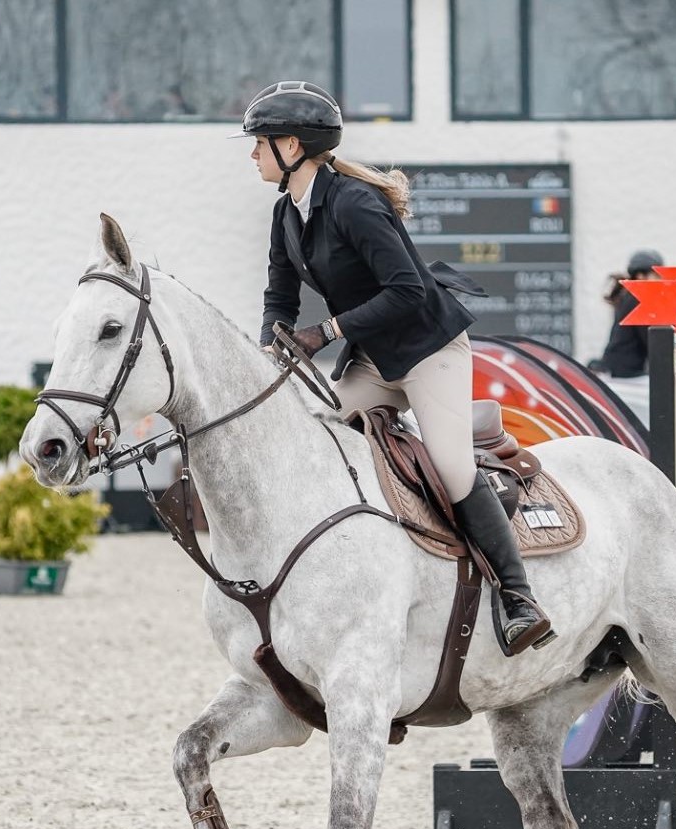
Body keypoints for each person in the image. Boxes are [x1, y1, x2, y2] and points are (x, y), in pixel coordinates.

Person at [232, 81, 555, 654]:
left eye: (259, 143)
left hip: (430, 350)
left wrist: (327, 331)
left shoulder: (355, 203)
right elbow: (278, 299)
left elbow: (407, 290)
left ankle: (518, 597)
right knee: (322, 440)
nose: (252, 153)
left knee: (454, 469)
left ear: (293, 145)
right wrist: (267, 350)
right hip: (376, 360)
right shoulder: (286, 212)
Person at [594, 249, 664, 378]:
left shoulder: (629, 296)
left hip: (620, 370)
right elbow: (652, 339)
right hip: (626, 374)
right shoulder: (638, 300)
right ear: (640, 276)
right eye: (656, 275)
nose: (660, 280)